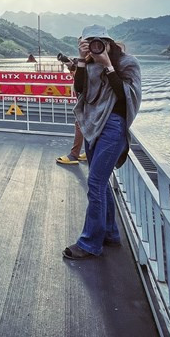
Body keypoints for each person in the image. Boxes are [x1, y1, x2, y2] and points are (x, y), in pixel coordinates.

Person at [63, 25, 141, 260]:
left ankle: (89, 243)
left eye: (99, 42)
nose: (95, 47)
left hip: (113, 126)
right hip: (92, 125)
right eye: (89, 42)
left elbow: (125, 95)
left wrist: (108, 65)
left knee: (95, 182)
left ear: (109, 42)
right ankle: (110, 234)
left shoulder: (127, 62)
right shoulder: (88, 63)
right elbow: (80, 91)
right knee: (101, 182)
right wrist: (81, 62)